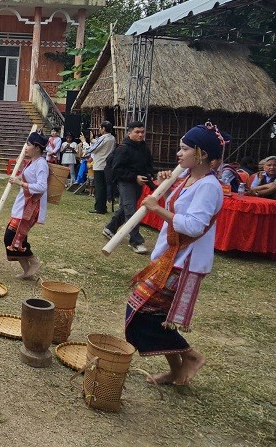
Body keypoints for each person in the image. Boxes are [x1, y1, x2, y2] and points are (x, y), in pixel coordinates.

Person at [126, 123, 229, 386]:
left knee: (145, 313)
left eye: (184, 149)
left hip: (185, 261)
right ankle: (176, 369)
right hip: (170, 255)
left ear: (202, 154)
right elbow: (179, 210)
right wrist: (164, 185)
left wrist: (156, 209)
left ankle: (190, 356)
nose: (178, 154)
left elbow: (193, 225)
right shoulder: (187, 177)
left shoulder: (209, 186)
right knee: (152, 316)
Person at [102, 121, 154, 254]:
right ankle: (136, 241)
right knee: (131, 210)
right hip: (125, 182)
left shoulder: (144, 149)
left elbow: (148, 166)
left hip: (138, 183)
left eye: (142, 132)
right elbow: (117, 170)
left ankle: (110, 228)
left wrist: (149, 178)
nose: (140, 135)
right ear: (129, 133)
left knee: (125, 208)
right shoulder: (123, 149)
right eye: (137, 132)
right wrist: (134, 177)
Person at [4, 132, 48, 279]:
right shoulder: (32, 162)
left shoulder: (41, 164)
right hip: (22, 202)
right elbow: (27, 178)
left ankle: (34, 262)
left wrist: (21, 183)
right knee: (15, 236)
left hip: (31, 205)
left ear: (37, 147)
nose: (26, 147)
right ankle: (27, 270)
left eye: (28, 145)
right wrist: (17, 178)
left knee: (12, 235)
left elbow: (42, 186)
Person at [80, 121, 116, 214]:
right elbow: (99, 145)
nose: (99, 129)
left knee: (99, 188)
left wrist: (84, 142)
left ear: (103, 129)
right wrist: (92, 140)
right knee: (103, 187)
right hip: (107, 165)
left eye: (100, 128)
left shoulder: (103, 138)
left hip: (100, 165)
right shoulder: (112, 138)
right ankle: (102, 207)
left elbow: (90, 149)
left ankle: (99, 208)